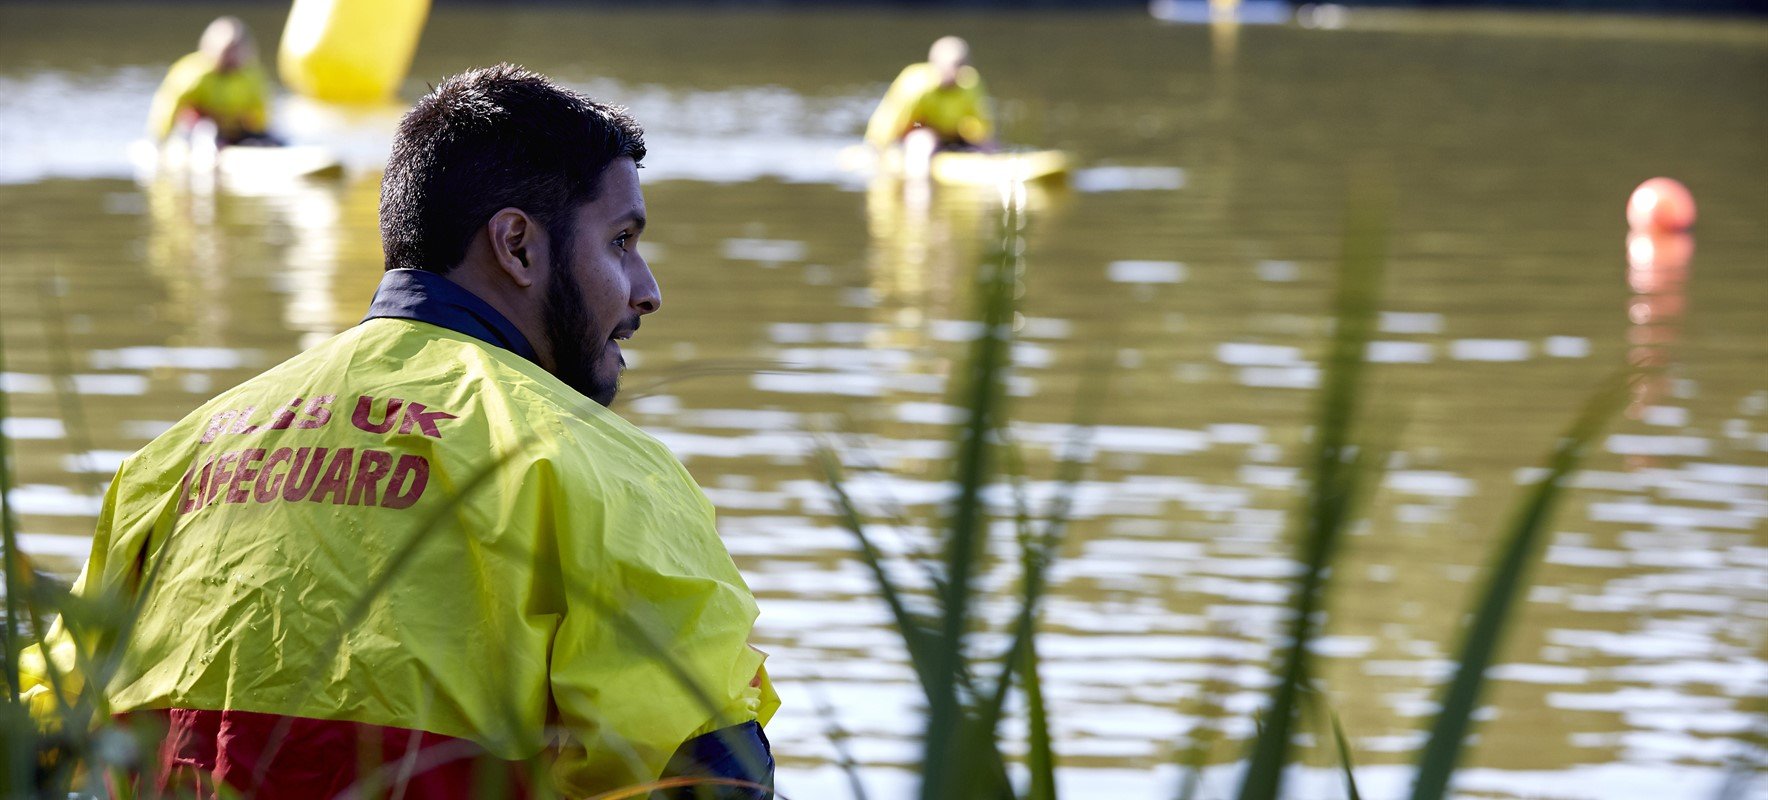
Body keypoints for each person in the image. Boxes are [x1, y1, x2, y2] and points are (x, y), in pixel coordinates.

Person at [22, 64, 776, 799]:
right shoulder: (602, 472)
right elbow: (712, 771)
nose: (648, 291)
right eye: (620, 242)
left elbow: (39, 735)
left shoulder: (177, 457)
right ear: (517, 246)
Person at [146, 16, 277, 146]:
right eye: (228, 50)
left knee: (272, 141)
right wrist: (160, 138)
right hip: (200, 129)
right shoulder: (193, 72)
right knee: (207, 132)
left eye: (236, 50)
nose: (232, 56)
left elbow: (261, 113)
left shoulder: (252, 75)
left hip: (236, 131)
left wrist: (258, 131)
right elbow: (168, 106)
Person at [864, 36, 996, 157]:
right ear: (935, 65)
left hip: (951, 135)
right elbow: (889, 122)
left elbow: (982, 127)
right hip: (917, 130)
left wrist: (986, 146)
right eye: (952, 66)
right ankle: (918, 180)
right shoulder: (915, 85)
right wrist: (877, 148)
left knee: (988, 146)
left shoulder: (970, 83)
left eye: (960, 66)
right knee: (923, 139)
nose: (956, 73)